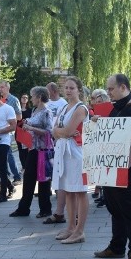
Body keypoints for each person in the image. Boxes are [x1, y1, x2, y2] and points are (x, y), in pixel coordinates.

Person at [94, 74, 131, 259]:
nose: (108, 93)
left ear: (123, 87)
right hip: (111, 165)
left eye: (111, 89)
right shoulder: (116, 109)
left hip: (127, 168)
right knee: (115, 208)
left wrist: (122, 171)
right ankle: (117, 247)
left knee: (130, 210)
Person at [51, 77, 90, 244]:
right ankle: (70, 227)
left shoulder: (81, 108)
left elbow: (67, 131)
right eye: (66, 87)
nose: (68, 90)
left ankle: (80, 230)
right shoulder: (64, 108)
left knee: (80, 191)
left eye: (71, 88)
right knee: (68, 190)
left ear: (78, 90)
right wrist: (61, 132)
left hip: (76, 152)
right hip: (64, 152)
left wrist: (61, 132)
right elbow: (53, 131)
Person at [10, 86, 55, 220]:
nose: (31, 99)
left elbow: (49, 132)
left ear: (39, 97)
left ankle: (45, 209)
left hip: (42, 150)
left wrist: (31, 128)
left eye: (33, 96)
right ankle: (23, 208)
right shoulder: (35, 110)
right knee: (28, 178)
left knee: (43, 180)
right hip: (33, 148)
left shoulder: (47, 112)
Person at [0, 81, 22, 183]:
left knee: (8, 153)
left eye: (2, 87)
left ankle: (16, 176)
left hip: (9, 129)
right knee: (2, 153)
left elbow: (19, 116)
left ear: (8, 88)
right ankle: (6, 176)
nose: (0, 89)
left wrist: (7, 119)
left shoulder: (13, 100)